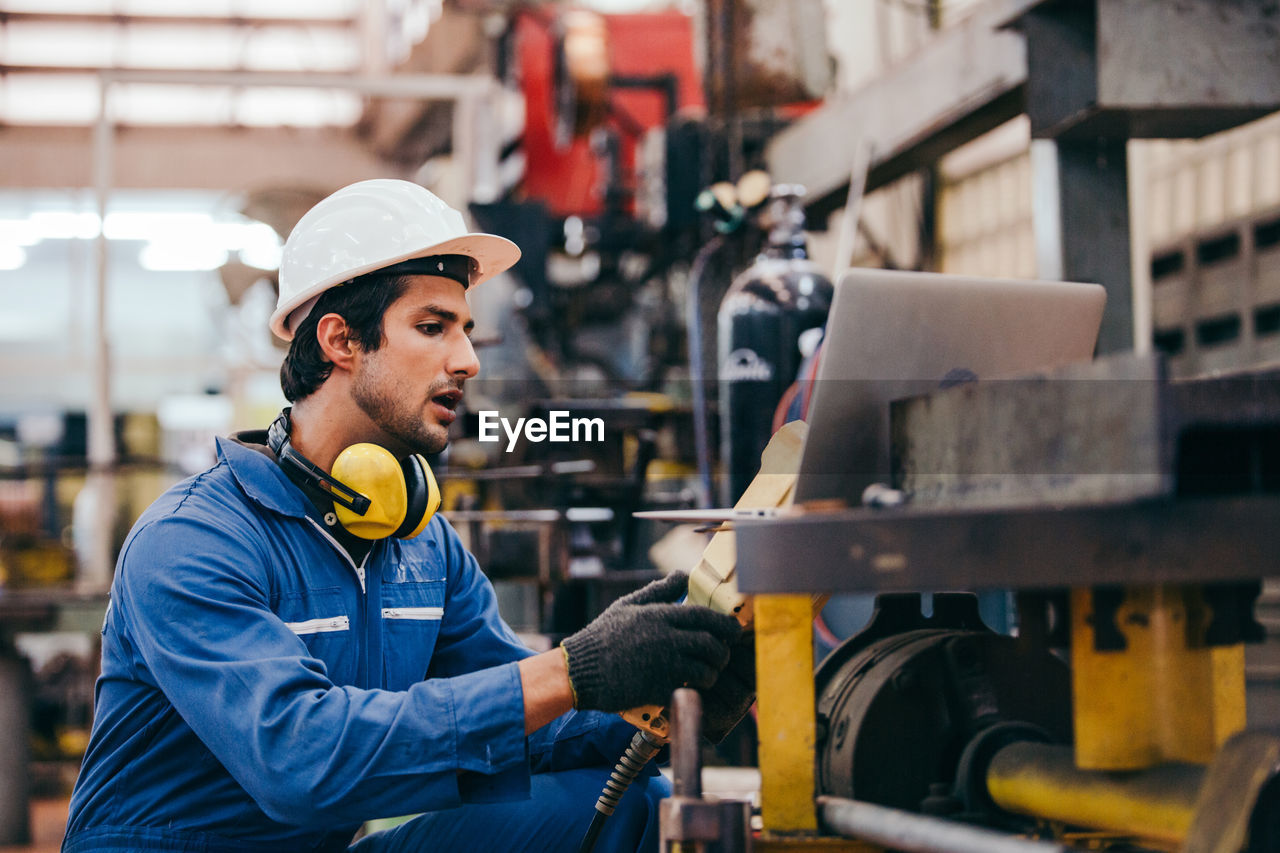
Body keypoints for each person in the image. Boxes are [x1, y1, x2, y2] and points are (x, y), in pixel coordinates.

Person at [62, 179, 754, 853]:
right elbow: (301, 759)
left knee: (631, 803)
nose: (469, 359)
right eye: (433, 327)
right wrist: (572, 667)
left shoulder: (419, 543)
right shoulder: (194, 540)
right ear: (340, 341)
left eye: (466, 329)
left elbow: (526, 718)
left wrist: (658, 697)